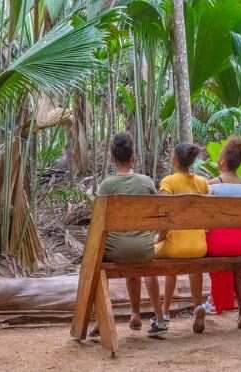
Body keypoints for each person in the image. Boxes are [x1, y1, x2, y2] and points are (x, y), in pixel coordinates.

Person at [95, 133, 168, 337]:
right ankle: (158, 318)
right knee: (142, 261)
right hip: (144, 249)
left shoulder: (107, 186)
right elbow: (158, 215)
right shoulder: (146, 182)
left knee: (97, 263)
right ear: (133, 157)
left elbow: (99, 224)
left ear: (112, 157)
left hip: (118, 250)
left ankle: (100, 319)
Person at [156, 143, 210, 333]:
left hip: (175, 248)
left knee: (167, 255)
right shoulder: (203, 183)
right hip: (199, 246)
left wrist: (158, 238)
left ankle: (164, 311)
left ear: (176, 159)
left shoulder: (168, 182)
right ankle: (197, 306)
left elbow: (164, 217)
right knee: (194, 265)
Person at [205, 137, 241, 329]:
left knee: (213, 248)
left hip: (218, 244)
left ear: (223, 162)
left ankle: (211, 302)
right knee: (235, 261)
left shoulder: (211, 186)